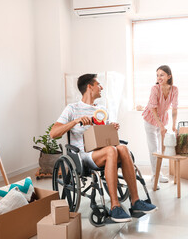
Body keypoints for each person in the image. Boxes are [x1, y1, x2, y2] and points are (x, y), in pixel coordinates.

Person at [50, 74, 157, 223]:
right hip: (83, 155)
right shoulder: (72, 109)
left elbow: (105, 134)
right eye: (98, 84)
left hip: (103, 149)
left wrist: (112, 127)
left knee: (123, 148)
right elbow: (53, 133)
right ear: (89, 87)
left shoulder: (101, 109)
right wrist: (75, 121)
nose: (101, 87)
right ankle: (114, 207)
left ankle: (136, 201)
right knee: (111, 151)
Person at [142, 65, 178, 189]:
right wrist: (161, 125)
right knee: (154, 150)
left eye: (162, 75)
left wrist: (173, 124)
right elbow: (153, 108)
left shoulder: (174, 89)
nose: (159, 77)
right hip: (151, 119)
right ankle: (154, 177)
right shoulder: (155, 89)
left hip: (162, 119)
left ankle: (159, 173)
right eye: (157, 75)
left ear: (169, 76)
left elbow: (174, 108)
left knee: (162, 150)